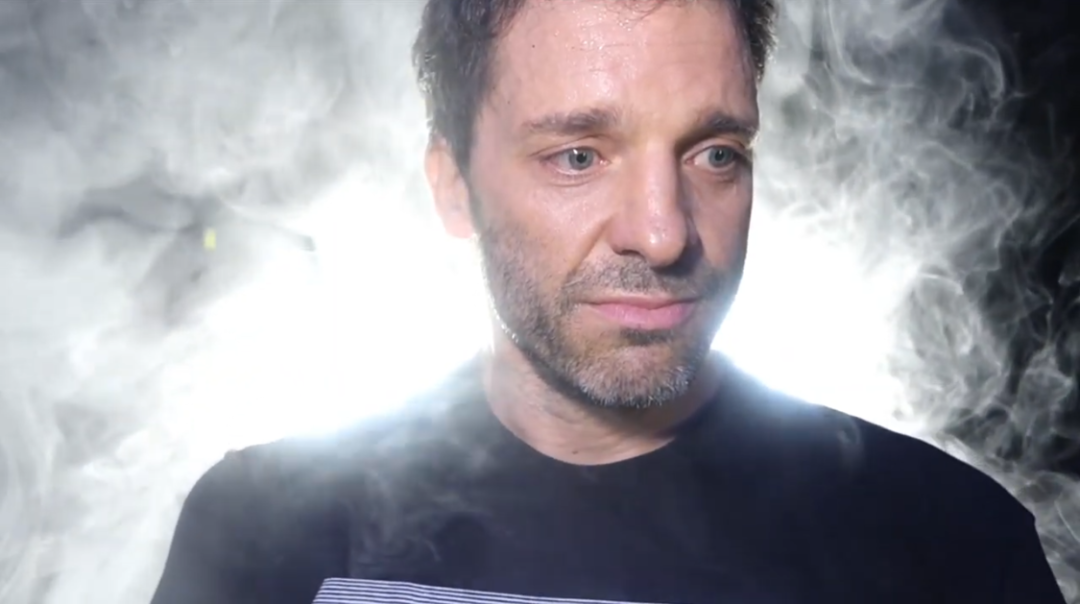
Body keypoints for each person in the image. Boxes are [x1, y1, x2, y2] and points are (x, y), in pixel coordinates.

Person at [150, 1, 1067, 603]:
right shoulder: (263, 532)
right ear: (454, 186)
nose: (662, 234)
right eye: (579, 156)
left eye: (715, 153)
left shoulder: (950, 544)